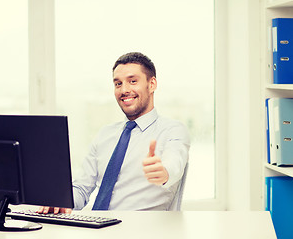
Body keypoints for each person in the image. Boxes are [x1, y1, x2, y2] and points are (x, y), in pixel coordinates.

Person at [38, 52, 190, 214]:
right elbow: (82, 188)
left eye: (133, 81)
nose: (124, 90)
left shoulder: (173, 130)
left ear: (151, 84)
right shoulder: (106, 134)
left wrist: (163, 172)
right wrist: (61, 200)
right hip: (96, 228)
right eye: (118, 84)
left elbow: (174, 164)